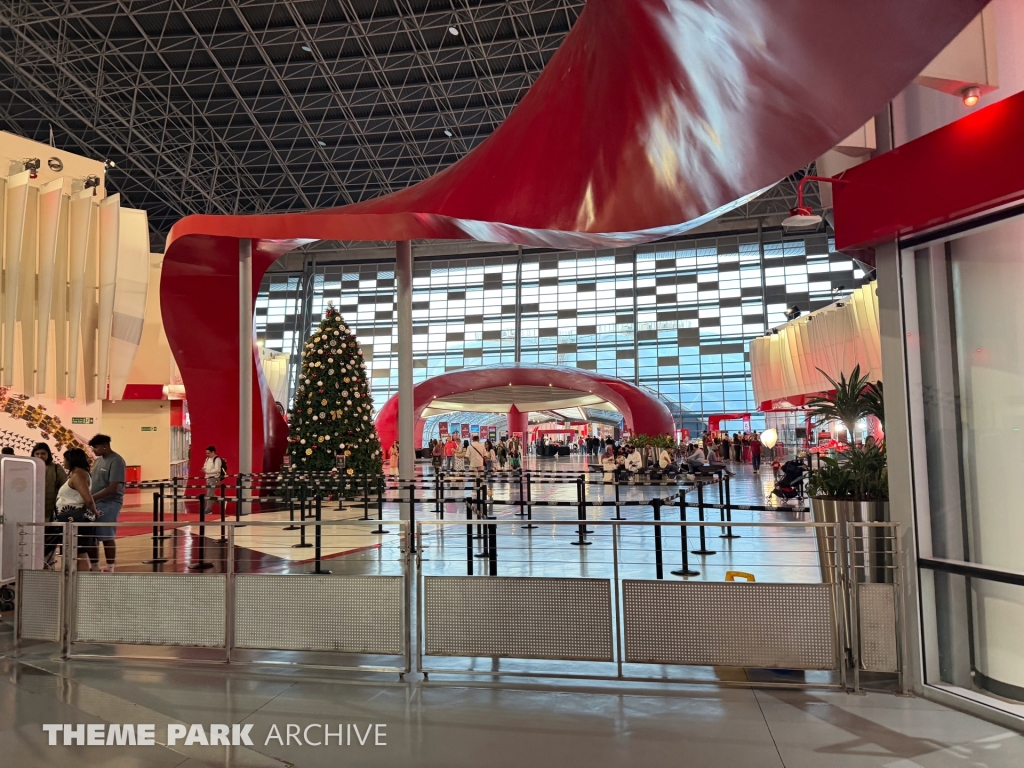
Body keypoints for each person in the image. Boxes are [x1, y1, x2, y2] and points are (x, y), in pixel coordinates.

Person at [54, 447, 101, 571]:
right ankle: (74, 582)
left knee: (79, 552)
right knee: (75, 552)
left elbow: (88, 499)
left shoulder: (78, 474)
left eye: (65, 459)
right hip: (70, 519)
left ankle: (79, 583)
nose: (63, 462)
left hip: (74, 519)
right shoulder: (80, 474)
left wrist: (95, 512)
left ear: (71, 460)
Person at [88, 434, 126, 571]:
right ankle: (95, 566)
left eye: (96, 447)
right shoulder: (98, 461)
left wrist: (93, 498)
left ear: (105, 446)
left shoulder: (116, 461)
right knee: (92, 536)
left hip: (110, 502)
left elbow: (112, 487)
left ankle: (110, 568)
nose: (94, 451)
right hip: (95, 501)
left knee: (106, 535)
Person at [34, 442, 68, 568]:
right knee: (34, 543)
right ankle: (35, 567)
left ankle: (49, 567)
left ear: (48, 454)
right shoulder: (29, 468)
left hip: (51, 513)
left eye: (43, 453)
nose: (40, 456)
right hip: (33, 513)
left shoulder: (56, 468)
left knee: (50, 543)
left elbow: (64, 489)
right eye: (37, 453)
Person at [202, 445, 224, 513]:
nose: (207, 454)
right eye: (206, 453)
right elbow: (205, 466)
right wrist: (204, 469)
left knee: (209, 494)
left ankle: (208, 509)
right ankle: (222, 501)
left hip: (214, 478)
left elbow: (217, 469)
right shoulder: (207, 459)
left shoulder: (217, 459)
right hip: (208, 478)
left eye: (208, 453)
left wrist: (208, 471)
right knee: (210, 493)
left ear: (213, 452)